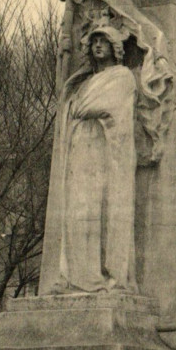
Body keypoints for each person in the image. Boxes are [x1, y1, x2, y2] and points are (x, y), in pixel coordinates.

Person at [54, 22, 138, 293]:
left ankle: (100, 276)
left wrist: (80, 107)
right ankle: (76, 276)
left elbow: (96, 106)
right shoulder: (85, 81)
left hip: (104, 152)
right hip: (79, 149)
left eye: (103, 40)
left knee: (98, 212)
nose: (97, 45)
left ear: (115, 47)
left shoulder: (121, 76)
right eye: (93, 42)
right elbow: (69, 104)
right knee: (77, 213)